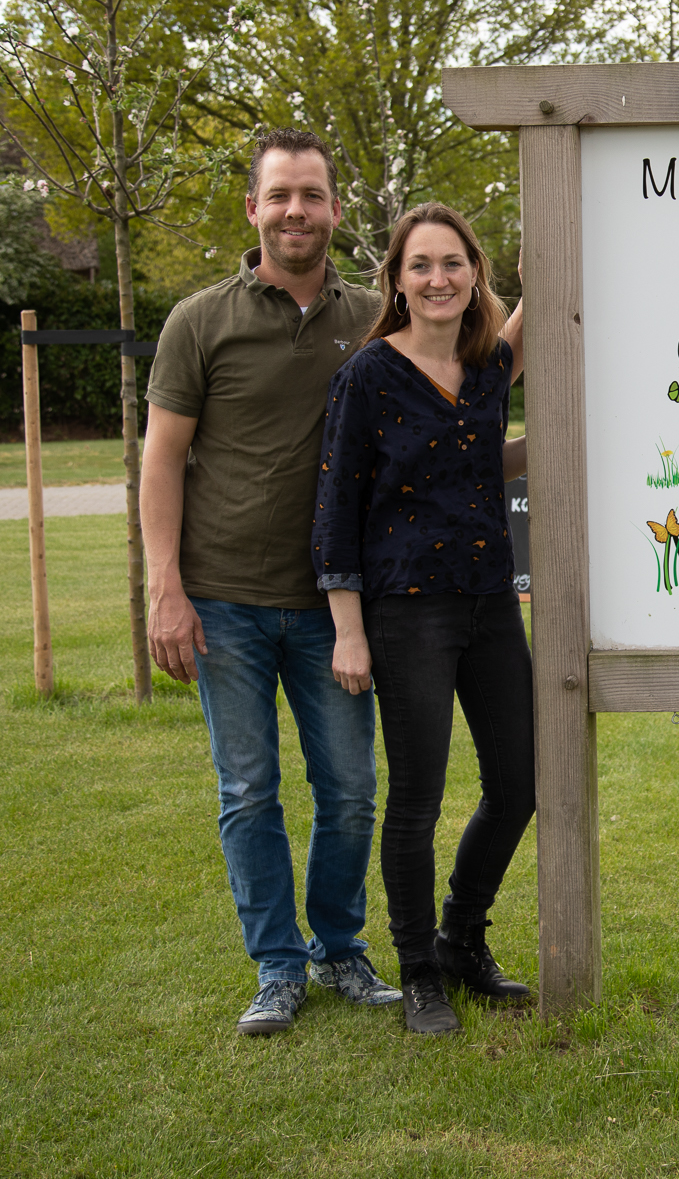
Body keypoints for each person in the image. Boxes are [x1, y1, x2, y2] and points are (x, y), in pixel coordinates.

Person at [142, 129, 400, 1037]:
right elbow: (162, 460)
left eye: (312, 195)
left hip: (337, 605)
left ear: (335, 209)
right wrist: (165, 587)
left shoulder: (374, 318)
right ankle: (278, 966)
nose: (297, 211)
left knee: (351, 791)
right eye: (281, 195)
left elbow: (464, 374)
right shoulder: (198, 320)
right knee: (248, 791)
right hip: (224, 603)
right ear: (253, 207)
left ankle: (339, 947)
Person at [312, 202, 534, 1036]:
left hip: (489, 601)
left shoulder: (486, 366)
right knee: (417, 799)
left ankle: (461, 938)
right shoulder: (368, 376)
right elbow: (335, 506)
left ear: (474, 273)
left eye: (452, 263)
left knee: (520, 783)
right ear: (397, 282)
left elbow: (478, 453)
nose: (438, 278)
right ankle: (417, 975)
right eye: (421, 265)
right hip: (406, 612)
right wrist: (348, 628)